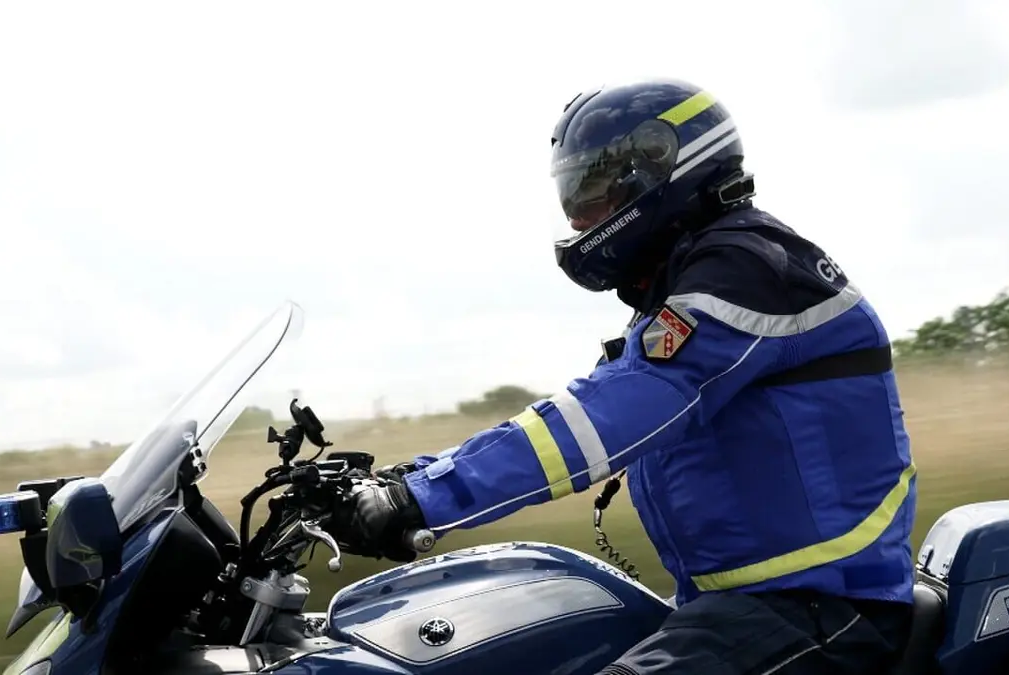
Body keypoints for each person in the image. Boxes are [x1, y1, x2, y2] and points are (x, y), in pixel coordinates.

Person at [349, 78, 917, 674]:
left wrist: (420, 500)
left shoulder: (751, 271)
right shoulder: (691, 284)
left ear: (658, 164)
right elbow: (572, 411)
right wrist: (407, 476)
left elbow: (608, 419)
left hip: (821, 607)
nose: (575, 211)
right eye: (570, 189)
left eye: (589, 185)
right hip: (734, 608)